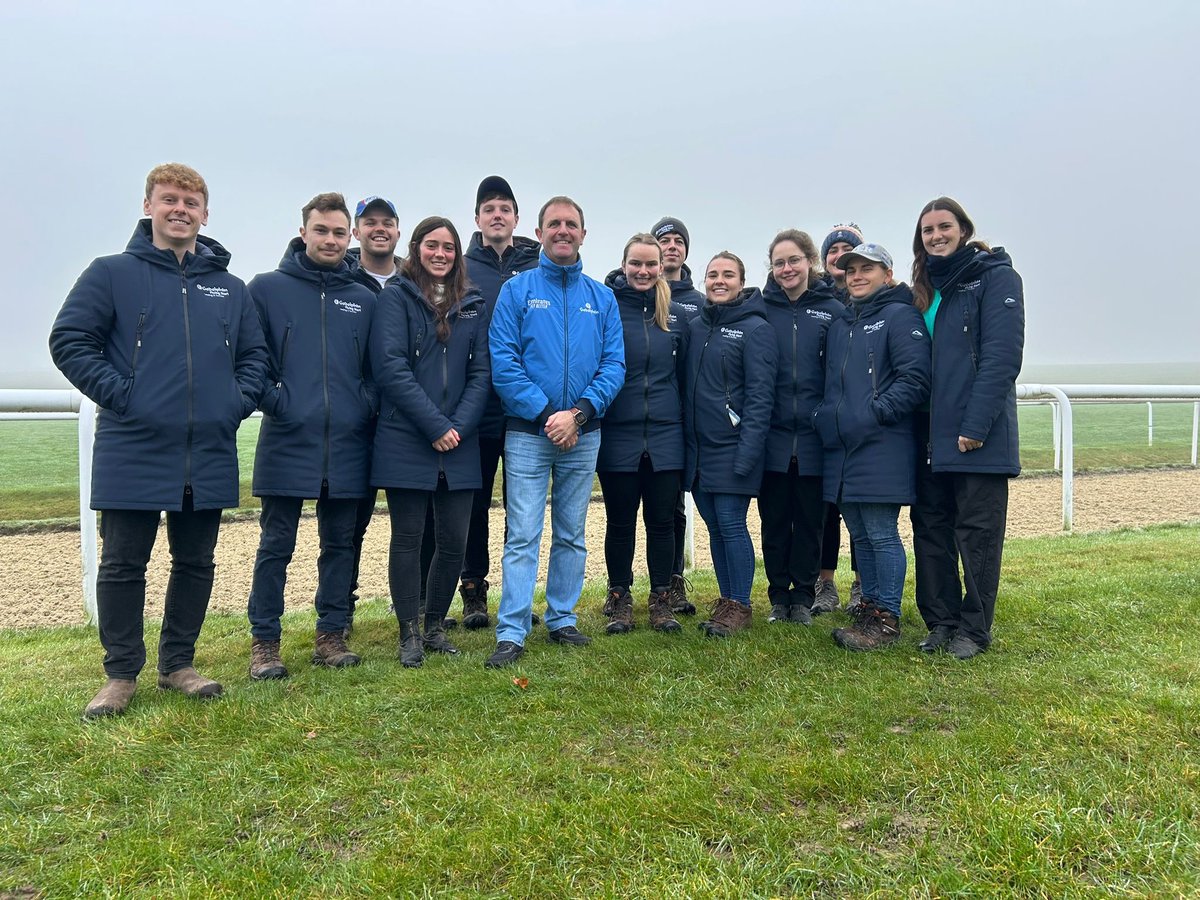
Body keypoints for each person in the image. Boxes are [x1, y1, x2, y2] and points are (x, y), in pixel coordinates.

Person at [49, 163, 268, 718]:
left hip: (208, 448)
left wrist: (232, 404)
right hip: (133, 443)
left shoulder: (230, 287)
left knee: (196, 560)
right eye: (169, 199)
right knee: (123, 563)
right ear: (148, 205)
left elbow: (255, 358)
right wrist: (124, 396)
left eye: (191, 202)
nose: (180, 210)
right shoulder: (111, 273)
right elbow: (71, 340)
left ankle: (179, 665)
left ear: (205, 214)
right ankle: (121, 675)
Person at [485, 196, 625, 667]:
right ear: (540, 233)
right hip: (528, 433)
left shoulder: (601, 297)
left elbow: (614, 365)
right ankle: (512, 629)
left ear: (584, 234)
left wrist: (579, 415)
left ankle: (562, 618)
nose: (563, 231)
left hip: (584, 434)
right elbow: (503, 363)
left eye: (572, 224)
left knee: (572, 532)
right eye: (554, 224)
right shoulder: (516, 291)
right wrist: (550, 415)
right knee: (522, 533)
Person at [244, 192, 378, 678]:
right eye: (321, 230)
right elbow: (250, 360)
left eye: (339, 232)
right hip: (287, 438)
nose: (330, 240)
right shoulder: (265, 289)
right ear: (304, 233)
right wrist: (280, 403)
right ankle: (265, 643)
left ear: (352, 237)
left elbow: (377, 372)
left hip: (348, 443)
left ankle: (331, 634)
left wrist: (361, 407)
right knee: (275, 545)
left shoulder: (365, 298)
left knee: (340, 542)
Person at [371, 217, 491, 667]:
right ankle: (410, 631)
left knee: (454, 542)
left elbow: (482, 372)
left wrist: (456, 425)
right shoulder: (395, 298)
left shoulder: (473, 303)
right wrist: (434, 425)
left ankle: (437, 626)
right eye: (432, 245)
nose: (441, 254)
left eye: (449, 247)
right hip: (407, 435)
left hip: (461, 438)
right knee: (408, 538)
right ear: (416, 248)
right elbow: (390, 367)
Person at [909, 197, 1025, 659]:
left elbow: (1000, 359)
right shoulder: (922, 288)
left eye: (944, 227)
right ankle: (940, 622)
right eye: (927, 230)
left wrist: (976, 424)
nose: (936, 235)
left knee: (976, 534)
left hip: (977, 435)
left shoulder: (996, 278)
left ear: (963, 229)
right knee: (931, 529)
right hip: (927, 435)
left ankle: (974, 630)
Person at [813, 244, 930, 652]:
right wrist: (825, 418)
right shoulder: (844, 322)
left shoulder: (900, 315)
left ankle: (886, 617)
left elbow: (914, 379)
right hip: (843, 448)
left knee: (881, 533)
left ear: (887, 272)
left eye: (867, 268)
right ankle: (870, 610)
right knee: (860, 533)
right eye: (851, 270)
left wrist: (873, 414)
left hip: (882, 444)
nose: (857, 275)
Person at [457, 176, 542, 630]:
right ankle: (473, 589)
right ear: (477, 218)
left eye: (505, 208)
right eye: (489, 208)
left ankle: (518, 592)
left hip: (527, 405)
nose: (497, 215)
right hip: (478, 404)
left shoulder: (536, 266)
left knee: (522, 505)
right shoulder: (461, 267)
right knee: (474, 500)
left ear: (516, 218)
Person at [597, 234, 689, 634]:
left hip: (667, 434)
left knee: (662, 522)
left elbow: (685, 377)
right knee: (620, 523)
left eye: (650, 264)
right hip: (619, 433)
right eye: (636, 263)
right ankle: (619, 597)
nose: (643, 271)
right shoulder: (606, 307)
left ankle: (661, 598)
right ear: (623, 265)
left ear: (660, 267)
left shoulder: (676, 314)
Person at [683, 252, 777, 637]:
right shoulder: (696, 326)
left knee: (731, 525)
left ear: (742, 281)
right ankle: (727, 599)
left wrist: (747, 453)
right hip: (699, 452)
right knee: (715, 529)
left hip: (734, 447)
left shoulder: (756, 329)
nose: (718, 281)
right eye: (712, 275)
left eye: (728, 275)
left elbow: (760, 398)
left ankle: (740, 603)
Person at [759, 230, 843, 624]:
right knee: (774, 519)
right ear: (771, 268)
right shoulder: (759, 310)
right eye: (779, 263)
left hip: (815, 437)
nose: (787, 269)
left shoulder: (833, 309)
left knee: (812, 521)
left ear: (810, 261)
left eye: (794, 260)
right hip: (772, 436)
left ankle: (804, 596)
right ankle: (778, 596)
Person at [343, 195, 404, 635]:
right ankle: (339, 613)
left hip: (406, 420)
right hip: (357, 422)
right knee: (350, 525)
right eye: (370, 222)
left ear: (398, 230)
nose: (379, 228)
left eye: (387, 222)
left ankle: (418, 608)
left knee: (415, 524)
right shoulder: (341, 281)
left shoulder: (413, 281)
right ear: (356, 231)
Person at [653, 216, 704, 617]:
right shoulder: (639, 293)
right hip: (641, 423)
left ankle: (674, 583)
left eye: (677, 241)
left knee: (674, 509)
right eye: (664, 241)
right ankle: (629, 589)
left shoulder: (697, 302)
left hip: (681, 419)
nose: (671, 246)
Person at [815, 223, 866, 614]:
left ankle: (864, 584)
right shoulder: (820, 301)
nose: (839, 256)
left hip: (864, 420)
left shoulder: (870, 300)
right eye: (833, 250)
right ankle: (825, 583)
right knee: (826, 510)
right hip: (825, 421)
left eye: (847, 250)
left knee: (863, 508)